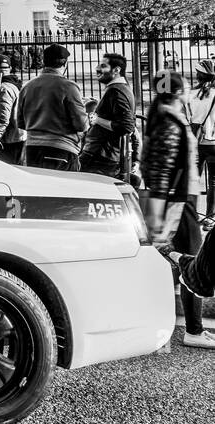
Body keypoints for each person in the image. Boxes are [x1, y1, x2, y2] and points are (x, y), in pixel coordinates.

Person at [139, 72, 214, 348]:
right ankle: (193, 330)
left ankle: (171, 324)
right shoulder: (169, 120)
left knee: (177, 261)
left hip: (178, 200)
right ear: (177, 91)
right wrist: (165, 208)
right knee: (193, 265)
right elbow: (161, 168)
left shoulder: (163, 115)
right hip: (179, 202)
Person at [15, 43, 89, 171]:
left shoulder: (27, 86)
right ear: (65, 63)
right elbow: (81, 125)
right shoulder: (69, 86)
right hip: (62, 148)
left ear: (44, 62)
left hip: (32, 149)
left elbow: (21, 123)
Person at [80, 53, 136, 179]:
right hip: (102, 155)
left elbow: (126, 126)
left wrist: (96, 119)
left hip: (100, 156)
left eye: (103, 66)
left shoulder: (116, 91)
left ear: (116, 70)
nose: (97, 69)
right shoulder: (120, 89)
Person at [188, 59, 215, 227]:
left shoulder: (191, 94)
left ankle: (192, 216)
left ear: (198, 75)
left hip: (196, 142)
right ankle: (210, 218)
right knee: (213, 181)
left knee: (193, 180)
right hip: (213, 143)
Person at [0, 55, 26, 165]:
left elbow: (2, 118)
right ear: (10, 69)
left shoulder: (3, 89)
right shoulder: (14, 85)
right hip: (15, 139)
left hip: (7, 142)